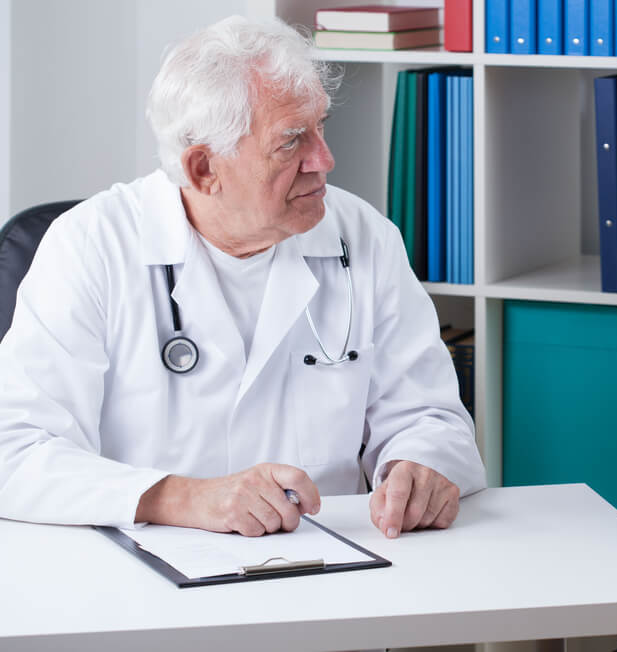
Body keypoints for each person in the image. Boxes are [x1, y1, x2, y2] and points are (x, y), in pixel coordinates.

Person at [0, 16, 485, 539]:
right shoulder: (91, 246)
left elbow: (431, 417)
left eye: (320, 127)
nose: (324, 159)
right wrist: (182, 497)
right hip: (143, 572)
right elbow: (16, 451)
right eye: (292, 141)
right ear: (204, 169)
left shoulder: (363, 236)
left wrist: (419, 467)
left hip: (331, 567)